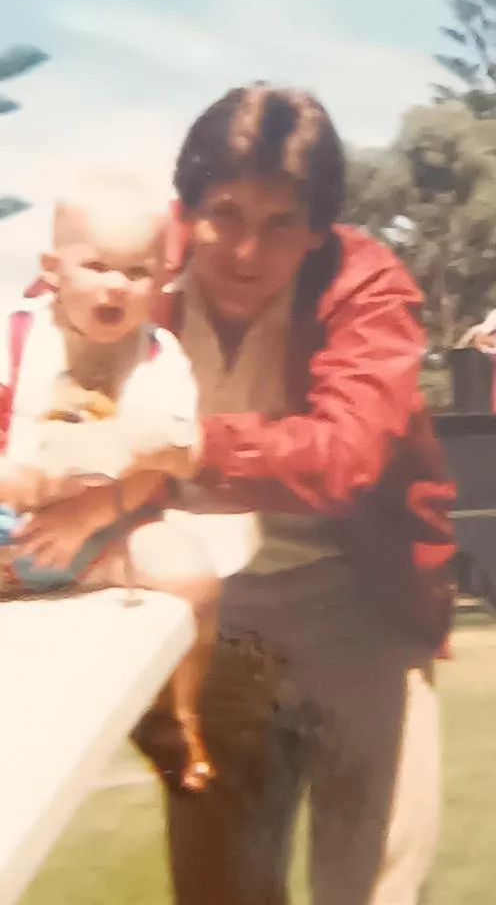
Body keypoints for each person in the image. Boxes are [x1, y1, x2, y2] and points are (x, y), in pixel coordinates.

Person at [117, 85, 455, 905]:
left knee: (373, 885)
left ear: (318, 230)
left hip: (357, 601)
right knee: (219, 889)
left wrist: (196, 445)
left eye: (280, 224)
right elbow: (30, 374)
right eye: (224, 214)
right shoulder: (128, 267)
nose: (245, 251)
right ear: (184, 209)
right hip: (211, 614)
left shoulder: (366, 284)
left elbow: (348, 454)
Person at [0, 167, 231, 791]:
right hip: (10, 537)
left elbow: (156, 460)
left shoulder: (159, 356)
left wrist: (90, 516)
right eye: (96, 266)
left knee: (193, 580)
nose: (116, 285)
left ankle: (178, 711)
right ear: (52, 269)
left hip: (110, 533)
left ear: (161, 278)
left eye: (136, 272)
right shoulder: (18, 332)